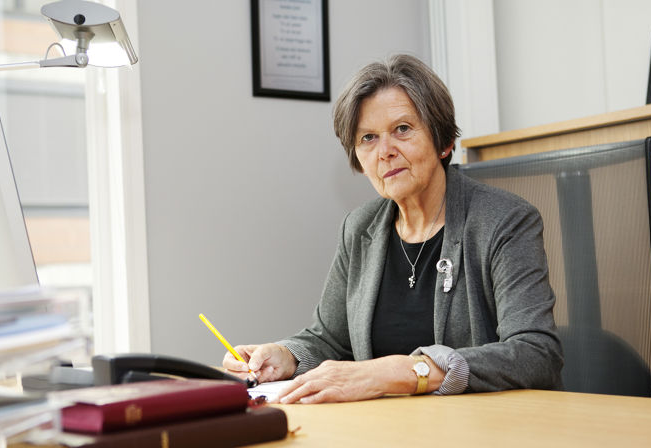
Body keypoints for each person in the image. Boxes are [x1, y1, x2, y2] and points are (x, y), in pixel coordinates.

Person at [223, 54, 563, 403]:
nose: (384, 151)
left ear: (443, 141)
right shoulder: (359, 229)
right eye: (368, 138)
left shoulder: (505, 221)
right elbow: (329, 338)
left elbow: (536, 353)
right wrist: (286, 356)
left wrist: (405, 372)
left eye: (402, 129)